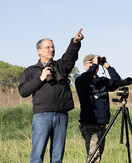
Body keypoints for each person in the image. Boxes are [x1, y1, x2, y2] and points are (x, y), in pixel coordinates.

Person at [18, 28, 84, 163]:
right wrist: (40, 78)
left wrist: (75, 41)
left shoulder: (60, 66)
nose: (51, 49)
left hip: (61, 114)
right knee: (37, 155)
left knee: (57, 157)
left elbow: (70, 56)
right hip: (42, 116)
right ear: (39, 51)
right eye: (47, 47)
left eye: (53, 47)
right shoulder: (31, 71)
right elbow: (23, 91)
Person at [75, 54, 121, 163]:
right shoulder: (81, 80)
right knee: (94, 157)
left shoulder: (102, 81)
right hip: (89, 124)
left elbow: (117, 82)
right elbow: (86, 78)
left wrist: (106, 66)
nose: (95, 66)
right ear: (85, 66)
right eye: (91, 63)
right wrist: (94, 65)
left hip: (102, 124)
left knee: (98, 156)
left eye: (96, 63)